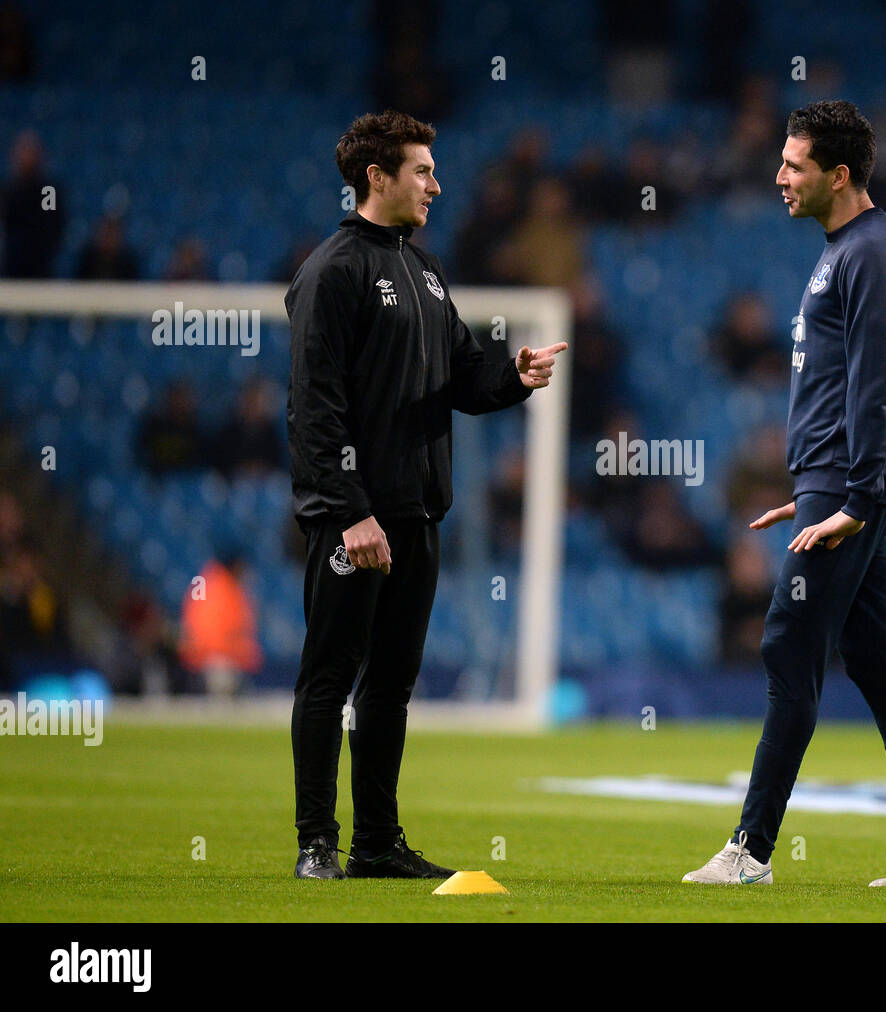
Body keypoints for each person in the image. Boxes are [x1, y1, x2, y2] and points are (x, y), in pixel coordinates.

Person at [682, 101, 886, 887]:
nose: (779, 176)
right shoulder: (846, 249)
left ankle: (750, 852)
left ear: (838, 174)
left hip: (854, 484)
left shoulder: (872, 252)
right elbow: (842, 382)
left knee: (789, 644)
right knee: (880, 665)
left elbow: (874, 385)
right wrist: (810, 490)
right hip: (835, 483)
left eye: (794, 164)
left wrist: (850, 497)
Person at [285, 110, 566, 880]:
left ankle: (375, 843)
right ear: (377, 178)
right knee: (328, 677)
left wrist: (515, 376)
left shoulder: (426, 270)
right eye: (422, 171)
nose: (436, 185)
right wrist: (350, 513)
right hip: (357, 522)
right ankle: (317, 843)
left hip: (415, 516)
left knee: (391, 686)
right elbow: (315, 409)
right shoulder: (331, 272)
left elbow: (464, 382)